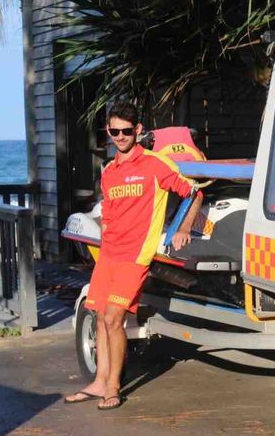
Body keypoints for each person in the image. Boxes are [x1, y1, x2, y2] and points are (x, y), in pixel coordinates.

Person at [64, 102, 203, 410]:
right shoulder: (109, 171)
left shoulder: (155, 164)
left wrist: (183, 228)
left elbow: (193, 192)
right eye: (114, 132)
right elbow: (108, 215)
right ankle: (99, 382)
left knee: (114, 317)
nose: (120, 137)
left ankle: (113, 387)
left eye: (126, 131)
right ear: (108, 131)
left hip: (135, 256)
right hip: (109, 255)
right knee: (101, 315)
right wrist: (102, 249)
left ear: (138, 130)